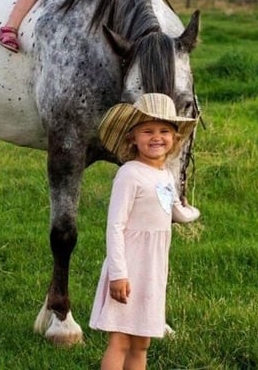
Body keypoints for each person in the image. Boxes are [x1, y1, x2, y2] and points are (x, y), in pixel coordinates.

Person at [91, 93, 201, 370]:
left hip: (153, 270)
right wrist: (118, 274)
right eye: (147, 131)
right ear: (133, 138)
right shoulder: (130, 174)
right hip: (129, 267)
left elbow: (173, 209)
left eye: (165, 131)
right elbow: (115, 226)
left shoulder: (165, 175)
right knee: (120, 340)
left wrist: (192, 213)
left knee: (142, 342)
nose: (157, 137)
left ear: (174, 139)